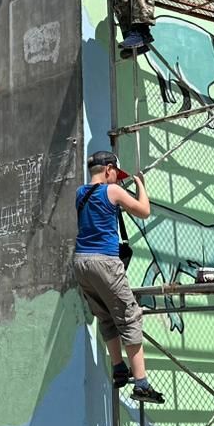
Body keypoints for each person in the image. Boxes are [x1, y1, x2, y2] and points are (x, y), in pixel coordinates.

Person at [74, 150, 165, 404]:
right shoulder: (112, 191)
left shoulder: (80, 194)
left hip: (81, 262)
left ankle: (118, 368)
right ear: (108, 169)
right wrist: (140, 187)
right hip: (105, 262)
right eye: (116, 174)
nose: (117, 179)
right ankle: (142, 383)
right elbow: (144, 211)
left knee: (105, 315)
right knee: (130, 315)